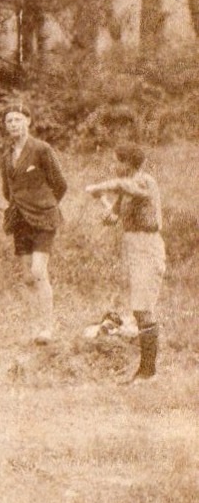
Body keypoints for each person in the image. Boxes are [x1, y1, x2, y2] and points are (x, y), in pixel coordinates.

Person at [85, 144, 164, 380]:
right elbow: (113, 218)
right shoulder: (126, 189)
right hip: (133, 248)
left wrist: (99, 187)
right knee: (138, 309)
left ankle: (148, 373)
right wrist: (105, 206)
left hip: (148, 247)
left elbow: (125, 187)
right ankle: (145, 372)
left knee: (143, 309)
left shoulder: (144, 181)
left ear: (129, 163)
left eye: (118, 162)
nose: (115, 166)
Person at [0, 107, 68, 344]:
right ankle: (35, 327)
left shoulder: (41, 149)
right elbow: (7, 190)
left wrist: (45, 204)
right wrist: (19, 206)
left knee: (39, 271)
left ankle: (48, 328)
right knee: (28, 277)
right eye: (9, 121)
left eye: (18, 119)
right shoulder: (6, 155)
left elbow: (60, 183)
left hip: (44, 217)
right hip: (20, 219)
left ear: (28, 121)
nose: (13, 124)